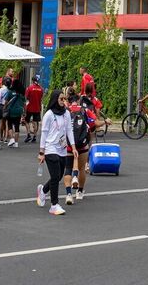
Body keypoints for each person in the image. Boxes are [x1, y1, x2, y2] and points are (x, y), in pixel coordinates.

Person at [37, 88, 76, 216]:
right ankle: (54, 205)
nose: (63, 101)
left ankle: (43, 190)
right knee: (55, 176)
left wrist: (74, 147)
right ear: (55, 99)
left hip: (62, 148)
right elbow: (44, 134)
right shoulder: (48, 114)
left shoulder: (66, 113)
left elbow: (69, 130)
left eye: (64, 99)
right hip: (50, 148)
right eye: (61, 99)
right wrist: (42, 152)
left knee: (58, 176)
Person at [64, 90, 96, 204]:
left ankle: (68, 194)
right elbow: (93, 123)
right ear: (78, 101)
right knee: (82, 168)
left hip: (68, 144)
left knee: (67, 168)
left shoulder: (65, 111)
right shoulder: (85, 110)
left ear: (68, 101)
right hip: (82, 145)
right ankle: (80, 192)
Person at [0, 76, 24, 148]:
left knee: (10, 125)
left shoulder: (10, 92)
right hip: (18, 111)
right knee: (17, 127)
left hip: (11, 111)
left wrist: (4, 108)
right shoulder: (21, 93)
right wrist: (24, 112)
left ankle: (12, 139)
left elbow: (6, 102)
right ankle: (16, 143)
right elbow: (24, 103)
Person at [23, 75, 44, 143]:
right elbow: (41, 98)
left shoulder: (29, 88)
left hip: (29, 107)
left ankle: (28, 134)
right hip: (37, 107)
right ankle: (34, 136)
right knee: (36, 122)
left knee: (26, 121)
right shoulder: (41, 89)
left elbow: (26, 98)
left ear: (32, 80)